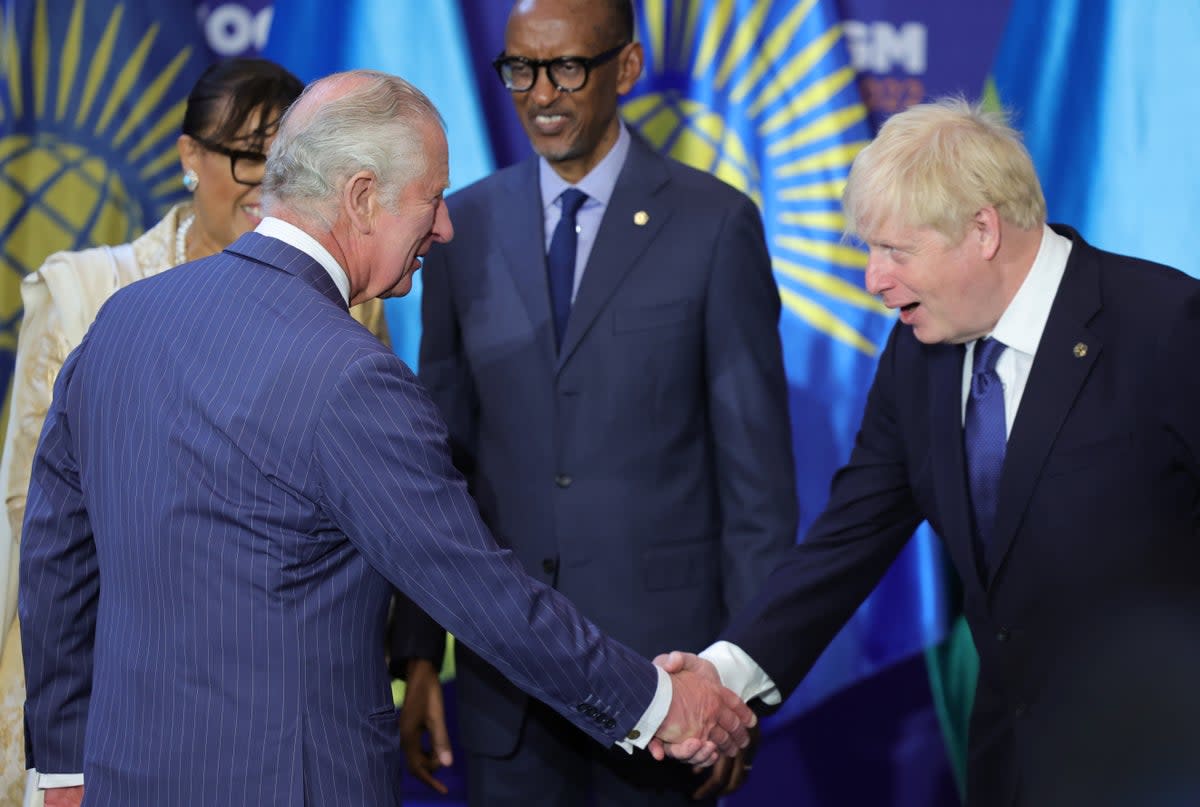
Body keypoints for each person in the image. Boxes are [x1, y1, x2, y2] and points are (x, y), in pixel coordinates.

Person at [18, 69, 756, 807]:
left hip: (123, 780)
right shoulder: (350, 377)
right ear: (362, 196)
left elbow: (54, 560)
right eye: (431, 199)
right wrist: (661, 702)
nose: (445, 227)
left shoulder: (122, 321)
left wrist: (63, 768)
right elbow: (483, 593)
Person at [656, 96, 1200, 807]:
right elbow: (847, 540)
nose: (874, 281)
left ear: (982, 230)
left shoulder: (1164, 327)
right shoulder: (921, 357)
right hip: (1010, 768)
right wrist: (721, 674)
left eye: (895, 251)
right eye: (870, 251)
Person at [417, 1, 797, 804]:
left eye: (566, 68)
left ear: (625, 67)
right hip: (505, 682)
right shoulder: (463, 226)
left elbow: (757, 486)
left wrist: (741, 688)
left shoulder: (716, 224)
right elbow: (436, 457)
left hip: (667, 686)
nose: (540, 93)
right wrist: (419, 650)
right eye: (520, 68)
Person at [0, 57, 399, 807]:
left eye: (283, 156)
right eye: (248, 153)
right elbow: (38, 520)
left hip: (293, 722)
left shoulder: (350, 301)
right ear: (190, 156)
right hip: (120, 701)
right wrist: (66, 753)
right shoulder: (88, 292)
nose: (263, 179)